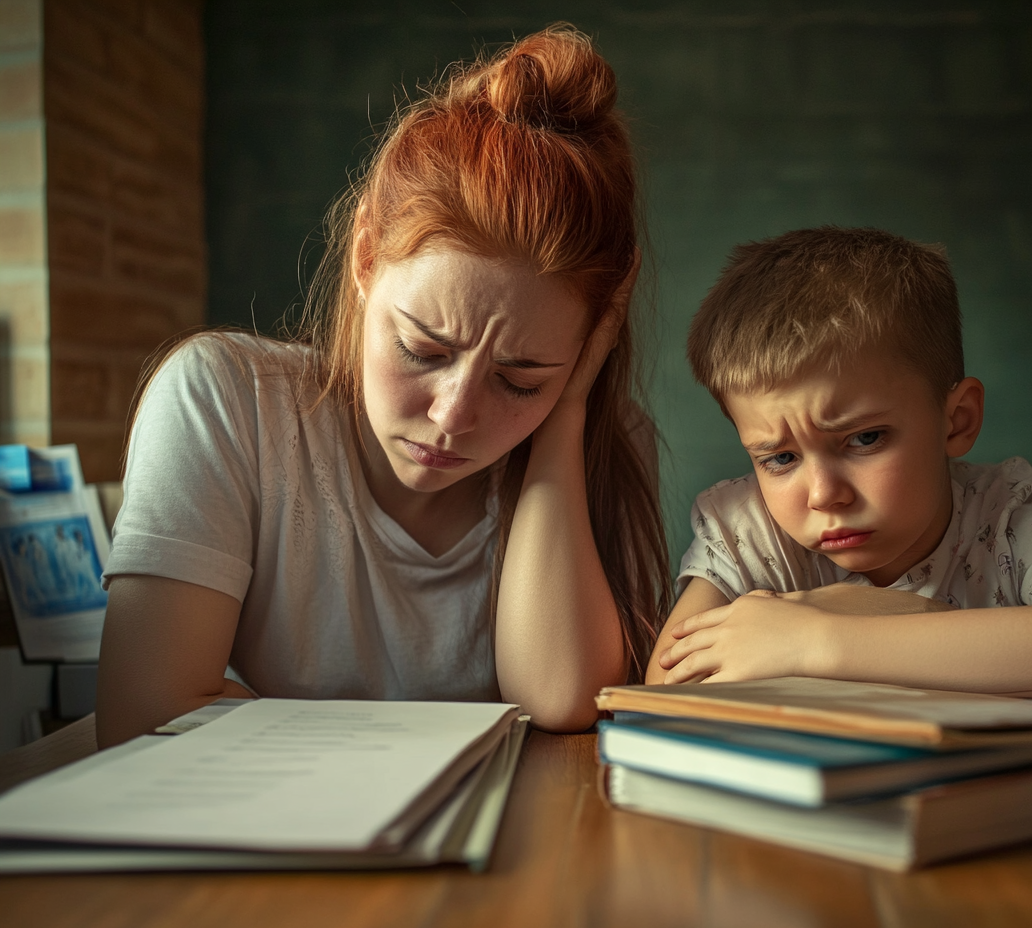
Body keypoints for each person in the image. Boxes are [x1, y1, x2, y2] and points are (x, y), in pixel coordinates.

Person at [96, 26, 671, 747]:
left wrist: (566, 421)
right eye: (422, 349)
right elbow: (145, 717)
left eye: (520, 380)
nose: (453, 415)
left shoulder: (602, 444)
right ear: (366, 257)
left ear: (589, 344)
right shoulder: (224, 399)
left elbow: (559, 697)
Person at [647, 227, 1032, 698]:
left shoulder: (1010, 519)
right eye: (780, 458)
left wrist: (820, 638)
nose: (823, 494)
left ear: (957, 421)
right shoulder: (747, 534)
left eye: (865, 438)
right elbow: (665, 690)